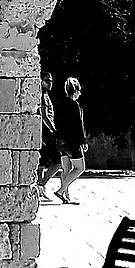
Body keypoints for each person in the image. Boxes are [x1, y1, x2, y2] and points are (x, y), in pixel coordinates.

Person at [50, 75, 88, 204]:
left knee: (66, 168)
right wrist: (83, 141)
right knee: (79, 168)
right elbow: (78, 124)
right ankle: (61, 190)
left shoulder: (60, 104)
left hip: (60, 140)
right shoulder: (74, 105)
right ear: (76, 90)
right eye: (79, 91)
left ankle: (65, 196)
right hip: (71, 141)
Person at [37, 73, 61, 197]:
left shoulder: (46, 95)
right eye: (47, 81)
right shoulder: (41, 95)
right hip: (46, 133)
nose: (50, 83)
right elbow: (44, 116)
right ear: (41, 81)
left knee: (42, 162)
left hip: (45, 133)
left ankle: (40, 186)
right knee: (57, 161)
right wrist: (53, 130)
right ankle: (41, 185)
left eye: (51, 81)